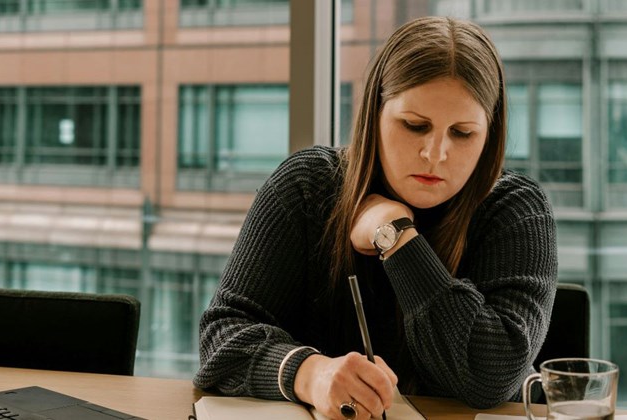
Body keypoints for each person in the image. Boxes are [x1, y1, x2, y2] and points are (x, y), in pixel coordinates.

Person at [194, 16, 558, 420]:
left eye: (462, 133)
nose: (435, 155)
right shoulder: (306, 187)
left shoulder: (516, 210)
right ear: (375, 114)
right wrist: (312, 374)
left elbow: (489, 378)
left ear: (490, 133)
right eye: (414, 126)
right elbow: (222, 336)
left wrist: (397, 235)